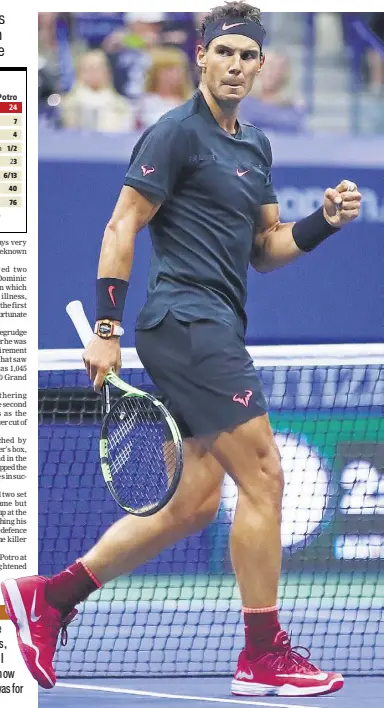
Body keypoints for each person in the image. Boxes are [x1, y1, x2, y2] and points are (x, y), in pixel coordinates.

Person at [2, 1, 362, 697]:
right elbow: (120, 224)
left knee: (194, 505)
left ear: (260, 65)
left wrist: (322, 221)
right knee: (264, 474)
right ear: (201, 57)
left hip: (218, 323)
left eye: (247, 55)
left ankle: (49, 598)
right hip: (185, 321)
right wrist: (107, 327)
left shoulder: (255, 148)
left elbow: (266, 249)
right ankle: (263, 654)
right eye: (223, 52)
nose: (234, 65)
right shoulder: (173, 134)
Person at [60, 49, 135, 133]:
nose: (93, 73)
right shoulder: (68, 104)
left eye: (98, 68)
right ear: (79, 73)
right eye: (89, 68)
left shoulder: (121, 106)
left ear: (107, 72)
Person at [139, 46, 195, 128]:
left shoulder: (194, 101)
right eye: (169, 69)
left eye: (180, 69)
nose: (177, 74)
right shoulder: (145, 103)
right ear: (155, 73)